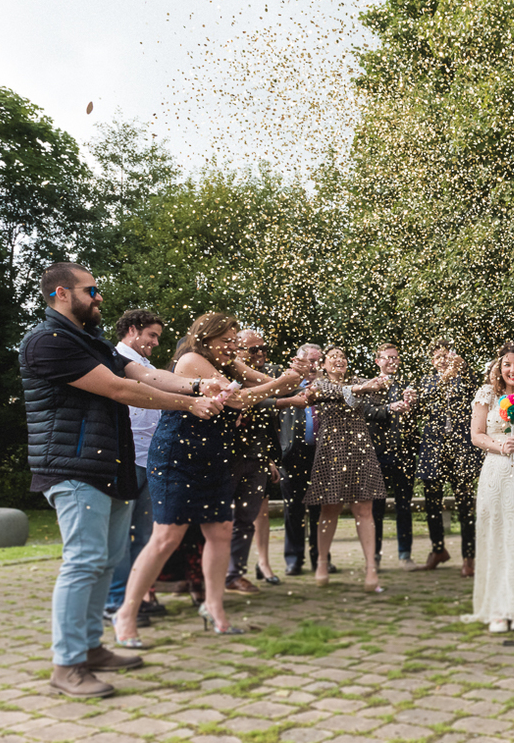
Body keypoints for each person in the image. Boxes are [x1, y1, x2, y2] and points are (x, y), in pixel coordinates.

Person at [20, 264, 226, 698]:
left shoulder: (89, 341)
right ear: (61, 293)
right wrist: (187, 406)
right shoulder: (48, 341)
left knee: (107, 560)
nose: (98, 298)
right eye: (90, 290)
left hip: (108, 468)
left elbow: (143, 374)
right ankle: (67, 664)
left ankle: (90, 648)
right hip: (74, 468)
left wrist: (199, 384)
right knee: (84, 561)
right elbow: (119, 389)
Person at [112, 312, 304, 643]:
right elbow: (239, 399)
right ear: (206, 337)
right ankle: (126, 613)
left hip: (215, 456)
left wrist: (295, 376)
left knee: (220, 532)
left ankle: (214, 609)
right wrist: (279, 385)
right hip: (178, 455)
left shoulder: (228, 362)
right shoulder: (192, 359)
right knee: (166, 537)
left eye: (234, 341)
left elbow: (258, 380)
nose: (232, 347)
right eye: (226, 341)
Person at [463, 342, 514, 631]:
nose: (513, 370)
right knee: (498, 536)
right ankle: (499, 607)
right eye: (507, 364)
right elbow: (476, 435)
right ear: (499, 367)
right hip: (497, 471)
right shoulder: (487, 394)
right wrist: (500, 445)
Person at [304, 346, 390, 592]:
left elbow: (378, 390)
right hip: (331, 450)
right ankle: (321, 562)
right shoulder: (318, 384)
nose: (339, 360)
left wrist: (381, 379)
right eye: (333, 357)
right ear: (324, 364)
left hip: (360, 447)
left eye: (342, 356)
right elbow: (333, 391)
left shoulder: (358, 380)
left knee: (365, 509)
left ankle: (371, 569)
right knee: (329, 508)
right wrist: (362, 388)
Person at [103, 309, 166, 626]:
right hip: (125, 461)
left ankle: (136, 597)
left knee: (144, 536)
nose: (155, 342)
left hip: (150, 460)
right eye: (152, 335)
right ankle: (114, 602)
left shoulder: (149, 367)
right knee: (119, 538)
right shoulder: (114, 360)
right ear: (132, 329)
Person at [413, 340, 483, 574]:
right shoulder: (426, 381)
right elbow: (419, 406)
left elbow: (480, 392)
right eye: (437, 356)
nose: (442, 360)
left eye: (446, 355)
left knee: (465, 503)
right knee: (432, 500)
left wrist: (464, 370)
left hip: (462, 445)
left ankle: (469, 558)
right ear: (432, 360)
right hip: (434, 445)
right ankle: (438, 549)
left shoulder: (466, 377)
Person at [225, 330, 283, 595]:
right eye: (253, 350)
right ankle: (211, 574)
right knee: (220, 517)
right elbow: (255, 403)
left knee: (250, 516)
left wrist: (269, 458)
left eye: (263, 348)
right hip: (225, 456)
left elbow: (265, 425)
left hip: (257, 455)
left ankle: (240, 572)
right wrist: (288, 398)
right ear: (238, 351)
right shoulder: (225, 374)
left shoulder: (267, 375)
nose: (260, 354)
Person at [359, 342, 420, 571]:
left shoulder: (408, 386)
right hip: (377, 455)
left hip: (404, 454)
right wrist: (389, 408)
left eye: (395, 357)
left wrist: (413, 404)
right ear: (378, 361)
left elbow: (417, 416)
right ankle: (374, 557)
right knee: (376, 509)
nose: (392, 361)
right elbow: (365, 412)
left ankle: (405, 556)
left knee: (404, 506)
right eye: (387, 357)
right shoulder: (368, 385)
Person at [278, 343, 326, 575]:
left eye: (318, 361)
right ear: (299, 362)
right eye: (310, 361)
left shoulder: (327, 387)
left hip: (322, 455)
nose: (314, 366)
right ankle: (294, 559)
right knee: (293, 510)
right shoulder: (285, 386)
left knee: (320, 510)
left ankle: (320, 559)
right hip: (292, 455)